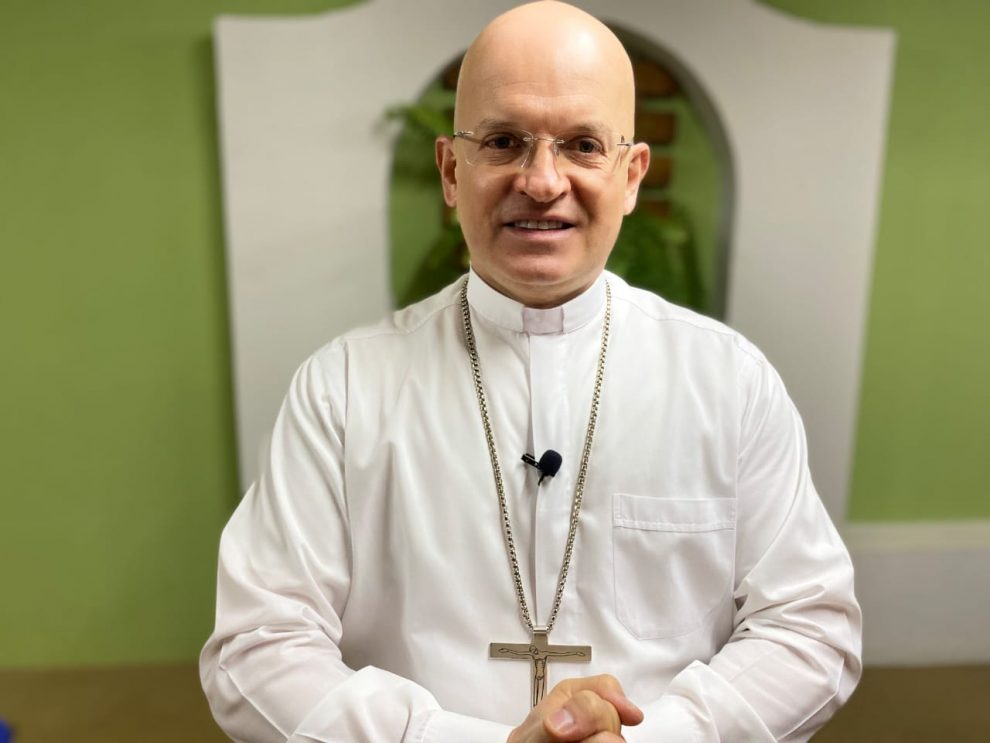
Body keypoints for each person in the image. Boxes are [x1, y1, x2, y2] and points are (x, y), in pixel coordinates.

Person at [200, 2, 862, 741]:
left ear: (632, 175)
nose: (543, 181)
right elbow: (258, 648)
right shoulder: (343, 389)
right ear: (451, 170)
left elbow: (810, 626)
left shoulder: (730, 383)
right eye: (504, 141)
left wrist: (653, 738)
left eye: (582, 145)